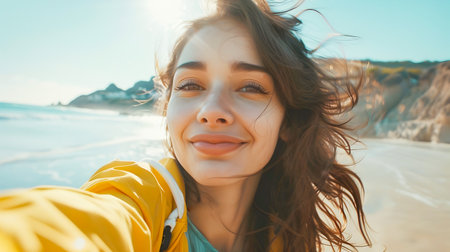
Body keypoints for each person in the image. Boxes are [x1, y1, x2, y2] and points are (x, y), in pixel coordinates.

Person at [0, 0, 371, 251]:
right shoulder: (143, 199)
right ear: (168, 107)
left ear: (288, 120)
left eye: (250, 87)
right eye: (191, 85)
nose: (211, 111)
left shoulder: (283, 235)